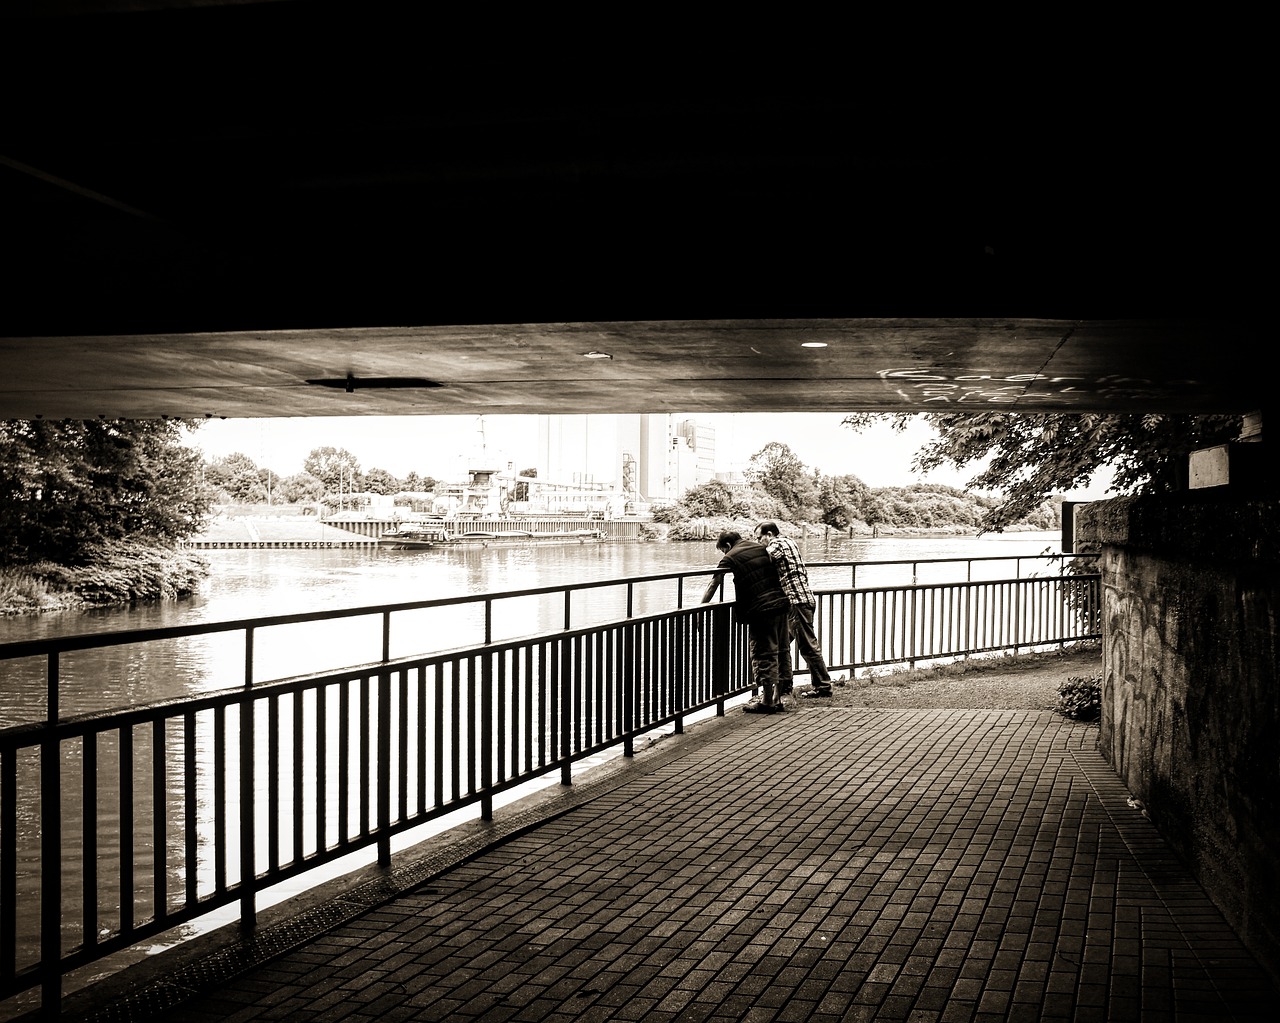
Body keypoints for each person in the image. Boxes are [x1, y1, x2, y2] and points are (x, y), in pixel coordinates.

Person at [700, 529, 791, 714]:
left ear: (727, 545)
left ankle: (766, 702)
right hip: (781, 604)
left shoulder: (730, 556)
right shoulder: (761, 547)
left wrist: (702, 606)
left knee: (763, 653)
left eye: (723, 550)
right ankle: (778, 698)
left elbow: (713, 583)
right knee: (781, 650)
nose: (724, 554)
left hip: (760, 609)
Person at [755, 521, 835, 698]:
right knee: (783, 645)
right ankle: (784, 687)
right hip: (801, 600)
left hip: (796, 601)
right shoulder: (789, 541)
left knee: (807, 646)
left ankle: (823, 686)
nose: (758, 541)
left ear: (769, 534)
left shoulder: (778, 544)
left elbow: (761, 560)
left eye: (759, 538)